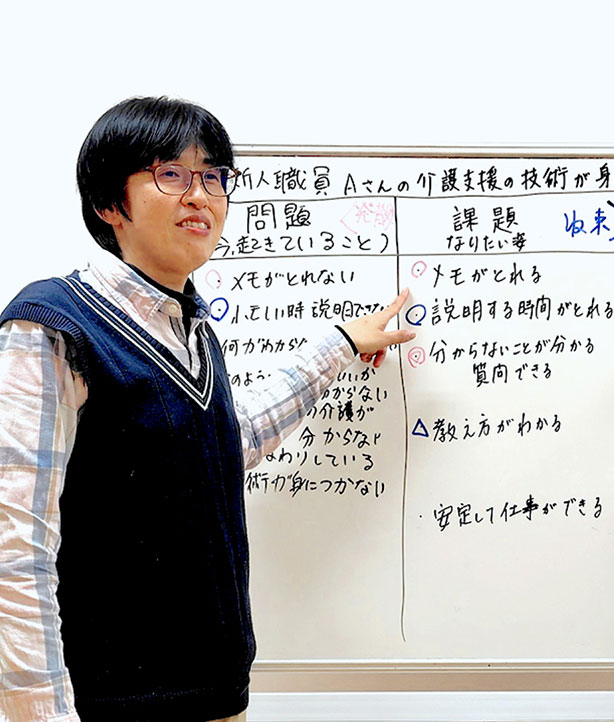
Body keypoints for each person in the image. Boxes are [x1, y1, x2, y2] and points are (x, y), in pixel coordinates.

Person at [0, 97, 415, 722]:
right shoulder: (54, 325)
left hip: (218, 696)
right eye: (171, 173)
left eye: (213, 176)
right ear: (108, 203)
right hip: (115, 704)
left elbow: (223, 443)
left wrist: (340, 345)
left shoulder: (192, 331)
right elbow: (14, 542)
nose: (200, 196)